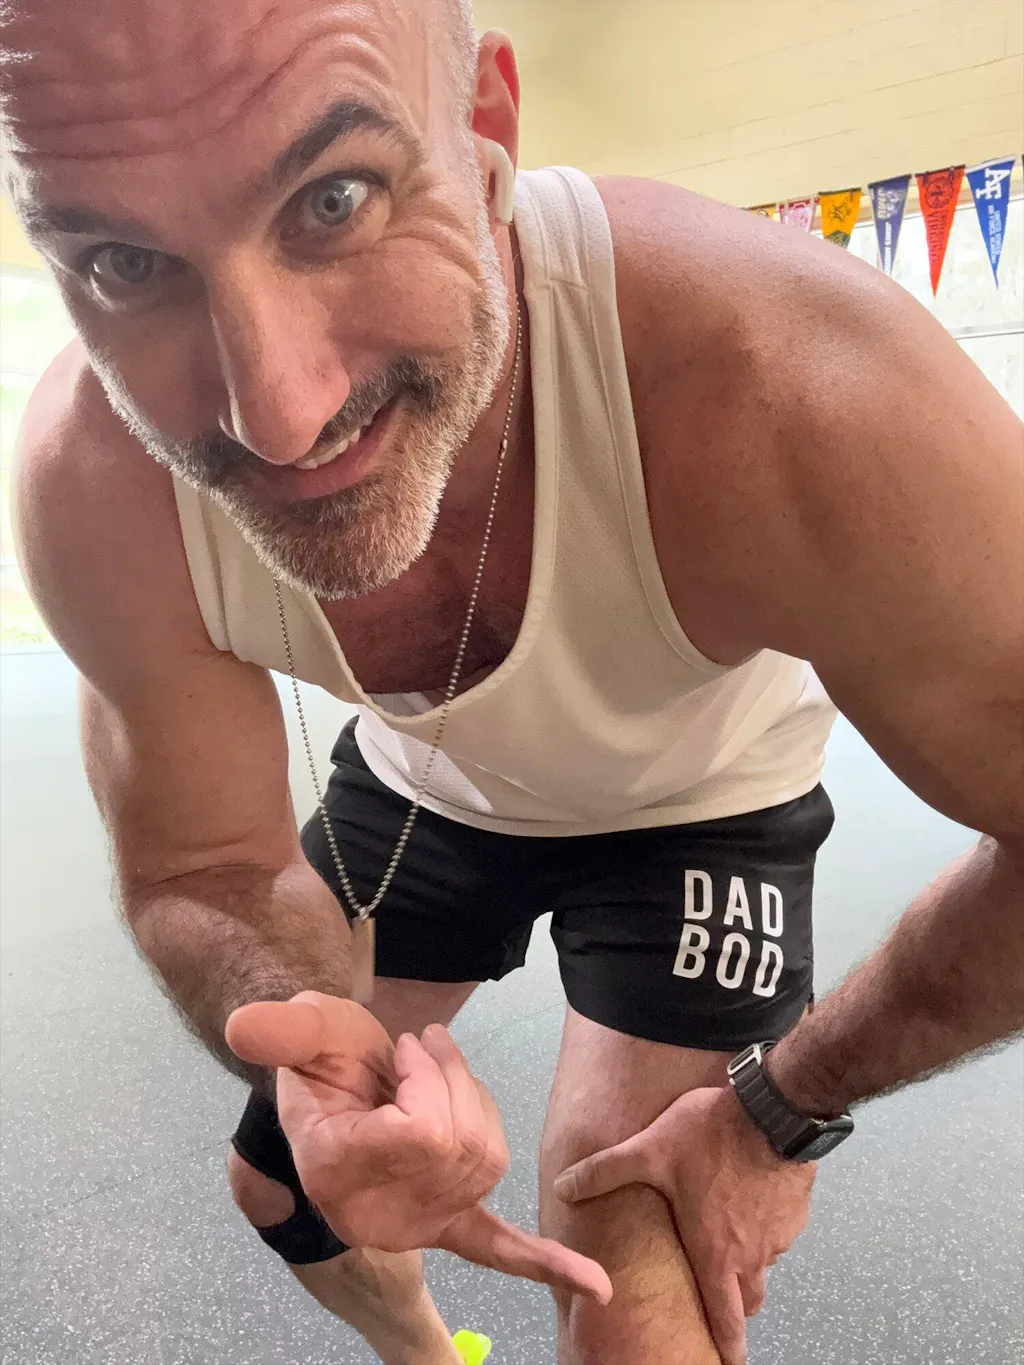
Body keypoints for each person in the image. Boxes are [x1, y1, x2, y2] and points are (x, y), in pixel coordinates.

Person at [4, 0, 1022, 1361]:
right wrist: (320, 1056)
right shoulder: (97, 480)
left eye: (335, 198)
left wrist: (780, 1110)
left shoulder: (801, 395)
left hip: (697, 801)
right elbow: (200, 864)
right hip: (426, 785)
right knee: (290, 1187)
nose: (277, 415)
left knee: (630, 1265)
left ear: (483, 135)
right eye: (125, 260)